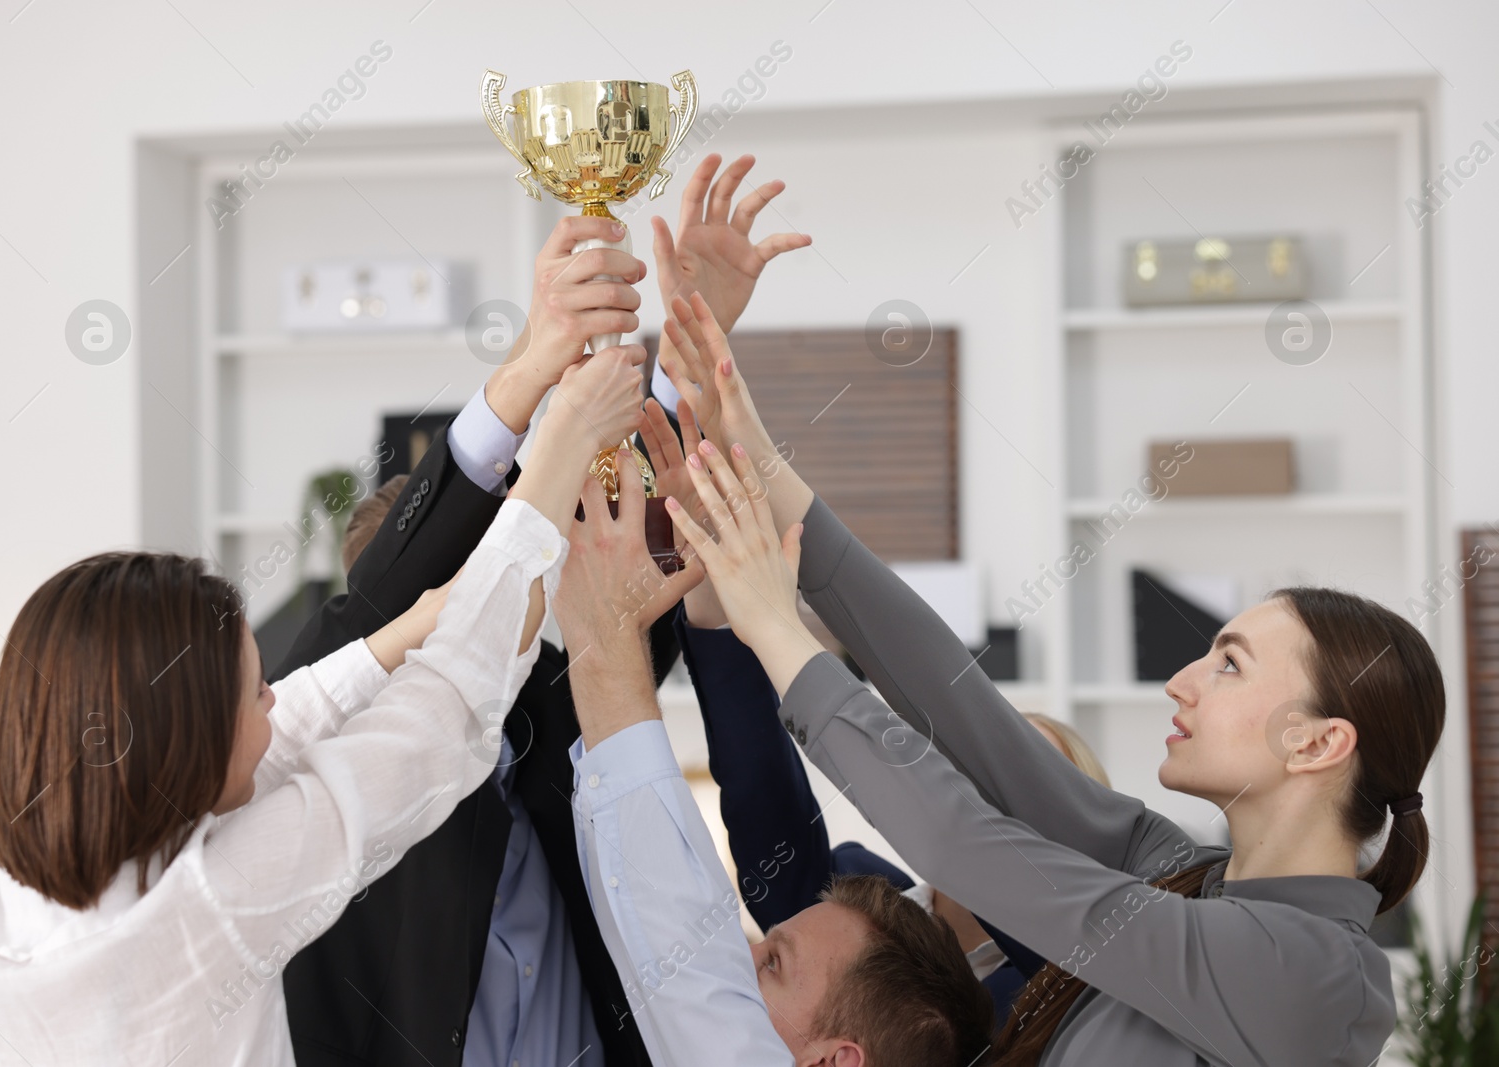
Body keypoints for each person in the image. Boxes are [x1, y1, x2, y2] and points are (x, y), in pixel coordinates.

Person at [658, 290, 1446, 1065]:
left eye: (1229, 664)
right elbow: (967, 714)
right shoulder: (1186, 878)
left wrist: (774, 626)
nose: (1182, 680)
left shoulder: (1312, 972)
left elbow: (969, 849)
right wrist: (756, 459)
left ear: (1317, 743)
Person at [0, 339, 647, 1065]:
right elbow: (439, 718)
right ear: (187, 748)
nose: (277, 696)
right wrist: (564, 441)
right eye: (253, 691)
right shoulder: (210, 910)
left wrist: (416, 624)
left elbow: (295, 713)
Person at [273, 154, 813, 1067]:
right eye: (435, 603)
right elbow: (370, 613)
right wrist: (533, 378)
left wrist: (692, 343)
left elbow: (633, 586)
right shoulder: (308, 801)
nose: (465, 617)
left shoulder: (550, 727)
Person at [551, 452, 995, 1067]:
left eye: (772, 962)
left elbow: (682, 951)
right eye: (768, 953)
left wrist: (605, 632)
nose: (738, 952)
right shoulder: (853, 930)